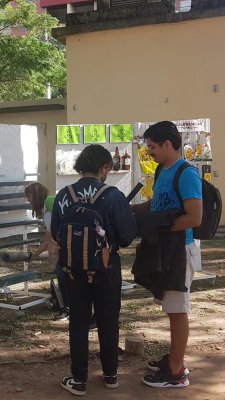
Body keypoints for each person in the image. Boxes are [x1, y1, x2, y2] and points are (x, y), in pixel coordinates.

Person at [50, 144, 136, 396]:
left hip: (72, 270)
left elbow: (56, 232)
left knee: (78, 321)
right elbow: (128, 235)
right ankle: (110, 375)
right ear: (105, 167)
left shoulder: (63, 195)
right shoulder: (113, 195)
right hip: (106, 268)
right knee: (108, 320)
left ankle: (79, 380)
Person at [132, 121, 202, 388]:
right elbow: (156, 203)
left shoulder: (187, 174)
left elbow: (195, 217)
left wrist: (160, 224)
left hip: (179, 252)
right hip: (164, 250)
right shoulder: (163, 170)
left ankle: (175, 372)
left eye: (152, 147)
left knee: (176, 310)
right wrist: (131, 210)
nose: (149, 152)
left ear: (168, 144)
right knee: (171, 308)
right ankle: (174, 359)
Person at [24, 182, 69, 320]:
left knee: (63, 275)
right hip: (71, 242)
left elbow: (49, 238)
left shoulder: (49, 206)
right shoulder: (52, 200)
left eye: (29, 196)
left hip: (67, 246)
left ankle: (67, 308)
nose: (28, 200)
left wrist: (35, 255)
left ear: (35, 196)